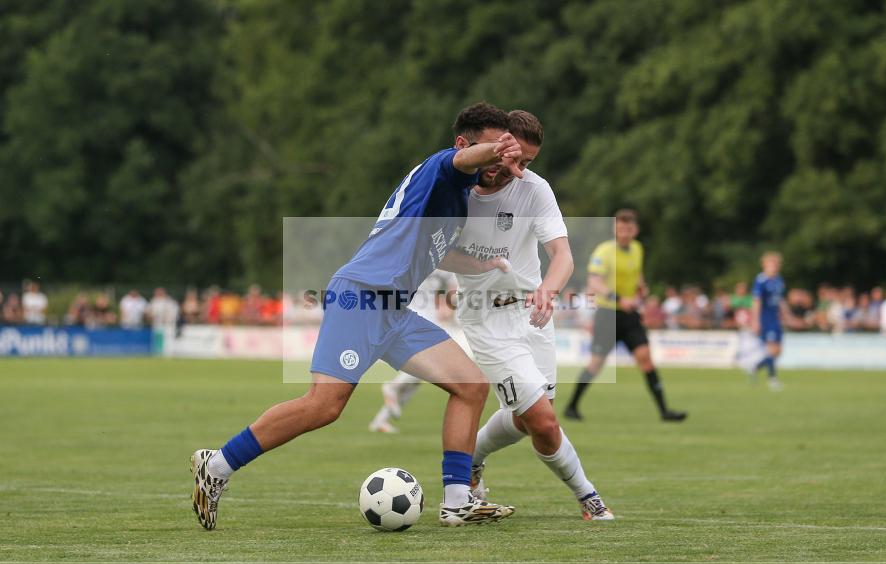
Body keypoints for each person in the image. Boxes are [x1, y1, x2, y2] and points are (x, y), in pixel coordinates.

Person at [190, 102, 523, 530]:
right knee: (324, 405)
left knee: (471, 385)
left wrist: (484, 264)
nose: (498, 160)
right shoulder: (443, 168)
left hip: (395, 310)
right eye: (492, 148)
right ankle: (217, 465)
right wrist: (498, 149)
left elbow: (440, 253)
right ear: (464, 144)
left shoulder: (456, 199)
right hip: (363, 295)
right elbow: (464, 161)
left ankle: (458, 501)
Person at [447, 110, 613, 520]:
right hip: (486, 321)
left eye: (528, 162)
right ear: (497, 145)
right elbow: (435, 251)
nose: (519, 169)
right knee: (543, 422)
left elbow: (562, 255)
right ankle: (590, 499)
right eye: (514, 158)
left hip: (533, 316)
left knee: (526, 422)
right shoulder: (455, 188)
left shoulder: (535, 189)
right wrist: (477, 266)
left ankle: (472, 459)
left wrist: (547, 290)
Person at [564, 209, 687, 422]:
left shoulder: (637, 249)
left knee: (646, 359)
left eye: (628, 229)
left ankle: (665, 411)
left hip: (630, 316)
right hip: (607, 315)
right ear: (615, 229)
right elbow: (594, 281)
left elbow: (637, 274)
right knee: (596, 364)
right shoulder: (604, 251)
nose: (624, 233)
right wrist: (619, 298)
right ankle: (571, 406)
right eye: (620, 229)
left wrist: (641, 287)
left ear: (635, 230)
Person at [368, 269, 459, 434]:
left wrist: (448, 309)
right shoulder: (418, 256)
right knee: (427, 367)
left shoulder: (448, 262)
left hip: (426, 316)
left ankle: (381, 420)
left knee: (418, 377)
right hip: (417, 317)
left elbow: (452, 290)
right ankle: (392, 387)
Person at [750, 251, 790, 391]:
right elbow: (756, 301)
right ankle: (772, 379)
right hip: (765, 319)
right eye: (772, 264)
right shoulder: (761, 280)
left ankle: (756, 366)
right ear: (765, 265)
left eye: (777, 264)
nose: (775, 267)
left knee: (778, 351)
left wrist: (788, 316)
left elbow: (780, 301)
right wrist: (755, 321)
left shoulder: (779, 280)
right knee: (772, 350)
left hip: (775, 319)